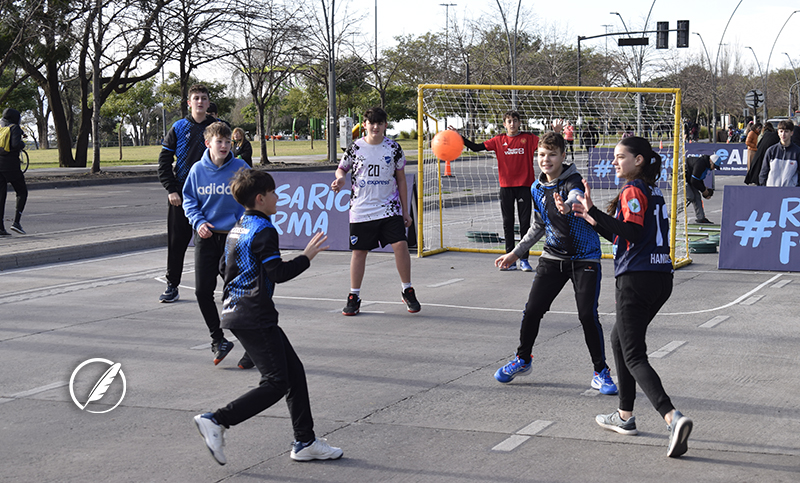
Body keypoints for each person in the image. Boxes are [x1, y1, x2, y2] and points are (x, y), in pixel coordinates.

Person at [193, 169, 342, 465]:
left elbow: (225, 267)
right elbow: (279, 273)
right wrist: (307, 256)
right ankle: (218, 420)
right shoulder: (264, 230)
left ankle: (305, 442)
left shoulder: (239, 226)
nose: (277, 197)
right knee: (276, 382)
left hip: (238, 311)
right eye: (273, 193)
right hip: (254, 314)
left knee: (294, 374)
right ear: (260, 199)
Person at [564, 136, 693, 458]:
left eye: (622, 156)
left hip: (637, 279)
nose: (616, 161)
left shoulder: (633, 191)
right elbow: (625, 235)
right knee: (619, 340)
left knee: (634, 354)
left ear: (639, 160)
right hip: (660, 276)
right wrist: (592, 219)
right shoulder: (652, 190)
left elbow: (632, 234)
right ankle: (624, 416)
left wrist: (595, 210)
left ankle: (672, 417)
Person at [493, 133, 618, 395]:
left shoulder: (574, 181)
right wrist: (516, 253)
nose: (546, 159)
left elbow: (575, 198)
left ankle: (600, 372)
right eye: (541, 154)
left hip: (585, 258)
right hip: (552, 257)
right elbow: (538, 225)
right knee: (532, 310)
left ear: (563, 156)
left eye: (552, 154)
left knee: (587, 315)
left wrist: (568, 206)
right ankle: (523, 360)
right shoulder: (536, 188)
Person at [331, 106, 420, 316]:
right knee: (359, 252)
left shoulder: (394, 148)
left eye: (380, 123)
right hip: (361, 209)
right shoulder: (355, 148)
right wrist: (341, 179)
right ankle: (354, 296)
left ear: (385, 126)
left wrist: (405, 211)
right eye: (371, 123)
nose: (375, 127)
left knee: (400, 244)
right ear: (365, 125)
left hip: (389, 209)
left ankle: (407, 289)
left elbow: (401, 179)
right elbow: (341, 168)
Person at [452, 111, 562, 272]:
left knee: (525, 224)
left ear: (519, 123)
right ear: (504, 124)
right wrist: (459, 137)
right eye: (509, 121)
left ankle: (524, 259)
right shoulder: (498, 140)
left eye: (515, 121)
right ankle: (509, 260)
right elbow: (476, 148)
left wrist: (556, 132)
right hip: (506, 188)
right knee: (507, 223)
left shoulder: (529, 138)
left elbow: (548, 144)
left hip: (524, 186)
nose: (512, 124)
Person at [182, 121, 250, 366]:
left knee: (235, 295)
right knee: (202, 291)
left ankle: (253, 345)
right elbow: (189, 200)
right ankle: (218, 339)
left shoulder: (240, 168)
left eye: (228, 141)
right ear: (207, 143)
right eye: (219, 141)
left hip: (232, 240)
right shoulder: (197, 171)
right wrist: (198, 222)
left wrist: (245, 226)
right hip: (206, 237)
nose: (224, 146)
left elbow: (251, 199)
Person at [157, 84, 217, 303]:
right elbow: (164, 161)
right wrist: (171, 189)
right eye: (196, 98)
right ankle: (172, 285)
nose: (200, 102)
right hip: (182, 196)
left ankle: (229, 287)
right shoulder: (179, 127)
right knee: (177, 243)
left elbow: (230, 159)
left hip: (212, 195)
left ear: (209, 103)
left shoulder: (218, 127)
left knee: (217, 245)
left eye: (204, 98)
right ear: (189, 103)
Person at [0, 108, 28, 236]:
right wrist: (22, 144)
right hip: (10, 165)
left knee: (1, 196)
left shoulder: (0, 127)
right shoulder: (14, 128)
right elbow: (16, 144)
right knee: (22, 191)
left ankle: (0, 228)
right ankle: (16, 222)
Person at [759, 120, 800, 187]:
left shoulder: (797, 152)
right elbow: (763, 173)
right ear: (778, 132)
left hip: (790, 192)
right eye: (781, 131)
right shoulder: (771, 151)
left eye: (786, 131)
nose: (783, 134)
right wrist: (764, 189)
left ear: (791, 133)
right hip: (772, 191)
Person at [685, 154, 721, 224]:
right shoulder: (701, 163)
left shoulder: (705, 165)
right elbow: (694, 181)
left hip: (687, 178)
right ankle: (672, 213)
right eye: (714, 166)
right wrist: (704, 190)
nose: (714, 168)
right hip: (677, 176)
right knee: (690, 196)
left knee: (697, 196)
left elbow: (698, 179)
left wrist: (704, 189)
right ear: (710, 161)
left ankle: (701, 218)